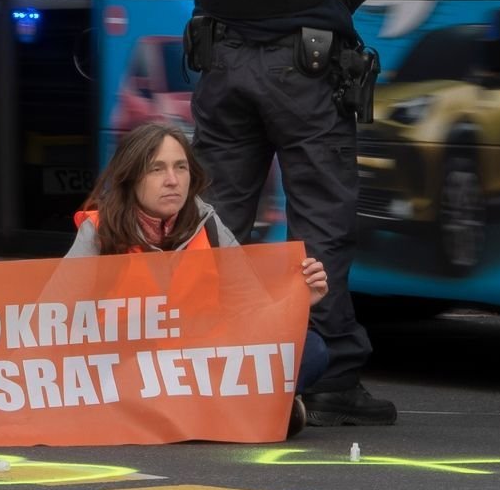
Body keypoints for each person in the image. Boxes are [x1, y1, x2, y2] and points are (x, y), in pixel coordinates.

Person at [169, 0, 394, 426]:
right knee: (320, 221)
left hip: (223, 59)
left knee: (219, 219)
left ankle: (215, 362)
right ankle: (328, 372)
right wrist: (318, 16)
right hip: (305, 67)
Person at [70, 121, 329, 434]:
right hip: (130, 368)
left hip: (203, 366)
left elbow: (251, 311)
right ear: (131, 177)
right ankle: (245, 411)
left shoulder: (208, 225)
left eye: (180, 167)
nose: (172, 180)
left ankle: (198, 414)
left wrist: (298, 302)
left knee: (311, 348)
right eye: (156, 169)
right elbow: (53, 320)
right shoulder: (98, 232)